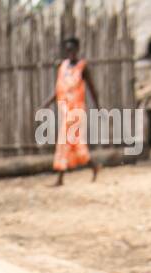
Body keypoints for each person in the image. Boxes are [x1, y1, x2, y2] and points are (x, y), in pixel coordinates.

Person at [44, 35, 99, 186]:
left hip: (76, 111)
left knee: (65, 142)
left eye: (73, 49)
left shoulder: (82, 67)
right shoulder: (63, 67)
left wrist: (98, 107)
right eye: (68, 49)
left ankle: (60, 178)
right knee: (73, 143)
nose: (70, 52)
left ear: (77, 49)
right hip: (65, 110)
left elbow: (92, 89)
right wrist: (47, 103)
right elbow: (59, 89)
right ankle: (93, 166)